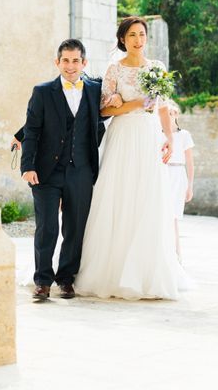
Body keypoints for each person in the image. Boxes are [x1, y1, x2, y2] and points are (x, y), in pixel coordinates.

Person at [73, 16, 187, 300]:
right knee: (118, 196)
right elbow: (103, 111)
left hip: (149, 137)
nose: (138, 39)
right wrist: (132, 104)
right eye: (132, 35)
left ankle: (148, 272)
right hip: (123, 137)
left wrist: (170, 140)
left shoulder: (157, 68)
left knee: (149, 198)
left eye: (142, 34)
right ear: (123, 39)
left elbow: (161, 108)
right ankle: (111, 271)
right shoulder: (114, 70)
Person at [18, 39, 107, 300]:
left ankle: (66, 279)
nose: (70, 66)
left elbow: (108, 114)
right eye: (65, 61)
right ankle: (42, 281)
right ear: (57, 62)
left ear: (84, 63)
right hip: (46, 171)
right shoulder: (42, 91)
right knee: (47, 227)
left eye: (75, 60)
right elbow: (31, 130)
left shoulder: (94, 90)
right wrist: (27, 166)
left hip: (81, 170)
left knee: (75, 227)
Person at [165, 100, 195, 263]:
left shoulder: (184, 135)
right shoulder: (159, 134)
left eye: (171, 113)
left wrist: (190, 185)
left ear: (176, 114)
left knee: (173, 216)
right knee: (162, 214)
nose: (169, 116)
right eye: (166, 113)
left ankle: (177, 255)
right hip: (163, 174)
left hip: (177, 175)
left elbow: (190, 162)